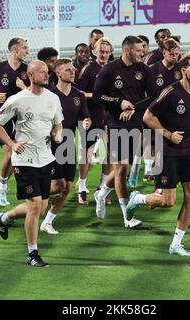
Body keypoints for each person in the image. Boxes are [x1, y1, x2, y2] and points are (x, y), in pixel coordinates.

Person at [125, 53, 190, 255]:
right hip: (167, 151)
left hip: (189, 149)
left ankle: (176, 244)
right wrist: (168, 134)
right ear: (183, 71)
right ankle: (137, 199)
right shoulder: (170, 92)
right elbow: (148, 116)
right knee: (167, 202)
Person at [0, 60, 63, 267]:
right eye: (41, 72)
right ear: (30, 76)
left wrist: (57, 134)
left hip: (46, 158)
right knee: (34, 207)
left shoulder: (53, 98)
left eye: (47, 72)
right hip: (24, 160)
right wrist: (12, 144)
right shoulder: (18, 99)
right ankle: (33, 254)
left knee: (41, 207)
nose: (46, 75)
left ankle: (4, 217)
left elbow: (58, 122)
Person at [93, 36, 157, 228]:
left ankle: (102, 193)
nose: (142, 53)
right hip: (115, 124)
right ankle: (127, 217)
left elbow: (154, 96)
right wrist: (118, 103)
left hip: (136, 124)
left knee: (124, 168)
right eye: (139, 50)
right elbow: (97, 96)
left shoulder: (144, 70)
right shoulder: (109, 70)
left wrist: (134, 109)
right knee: (121, 169)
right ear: (128, 51)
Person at [40, 58, 91, 234]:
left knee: (67, 188)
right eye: (68, 70)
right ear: (58, 73)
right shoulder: (48, 95)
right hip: (50, 146)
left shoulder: (79, 95)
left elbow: (85, 117)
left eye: (73, 69)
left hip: (69, 143)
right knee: (55, 187)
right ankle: (33, 200)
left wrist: (86, 122)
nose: (73, 72)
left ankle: (47, 221)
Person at [0, 37, 30, 206]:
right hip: (2, 118)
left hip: (21, 119)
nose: (27, 51)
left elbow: (35, 93)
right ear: (15, 50)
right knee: (10, 152)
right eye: (24, 48)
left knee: (15, 156)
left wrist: (24, 88)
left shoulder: (27, 71)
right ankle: (1, 189)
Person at [129, 37, 181, 186]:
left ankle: (159, 172)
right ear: (164, 52)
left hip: (172, 114)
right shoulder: (152, 69)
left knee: (164, 142)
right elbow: (142, 90)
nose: (175, 57)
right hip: (152, 112)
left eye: (177, 54)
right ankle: (138, 168)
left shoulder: (180, 70)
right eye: (172, 54)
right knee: (147, 140)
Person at [77, 37, 114, 205]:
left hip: (110, 118)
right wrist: (98, 96)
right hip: (91, 117)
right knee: (87, 153)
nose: (104, 55)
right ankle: (82, 188)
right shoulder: (88, 70)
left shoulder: (115, 69)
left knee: (110, 155)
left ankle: (102, 189)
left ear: (111, 53)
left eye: (107, 52)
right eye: (101, 52)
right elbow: (78, 93)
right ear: (94, 51)